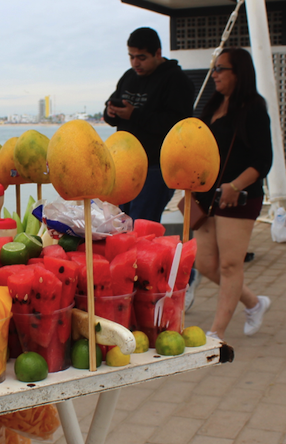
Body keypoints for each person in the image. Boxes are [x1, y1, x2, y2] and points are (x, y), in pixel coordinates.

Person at [194, 48, 273, 340]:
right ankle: (254, 303)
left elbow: (263, 160)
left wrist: (235, 185)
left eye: (220, 69)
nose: (214, 74)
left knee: (229, 264)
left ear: (238, 73)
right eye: (213, 69)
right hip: (206, 197)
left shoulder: (252, 107)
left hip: (238, 196)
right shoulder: (213, 104)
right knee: (204, 263)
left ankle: (217, 332)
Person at [104, 27, 194, 221]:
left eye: (142, 57)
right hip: (123, 165)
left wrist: (134, 115)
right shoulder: (129, 76)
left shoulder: (176, 80)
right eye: (131, 56)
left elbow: (177, 127)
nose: (136, 63)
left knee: (141, 225)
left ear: (158, 53)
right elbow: (112, 108)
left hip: (154, 168)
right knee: (117, 224)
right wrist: (111, 112)